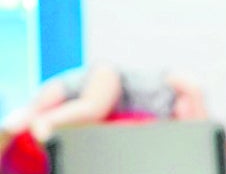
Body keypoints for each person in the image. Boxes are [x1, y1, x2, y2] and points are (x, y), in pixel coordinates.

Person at [0, 62, 208, 152]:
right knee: (92, 108)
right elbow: (192, 88)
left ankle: (38, 121)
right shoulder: (174, 90)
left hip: (77, 87)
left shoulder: (165, 119)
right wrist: (204, 128)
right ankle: (46, 123)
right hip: (110, 78)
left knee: (18, 122)